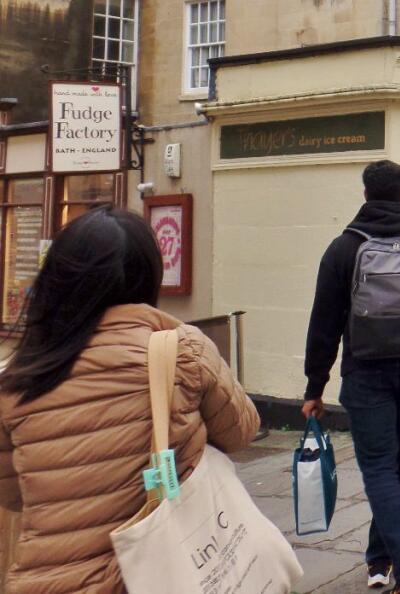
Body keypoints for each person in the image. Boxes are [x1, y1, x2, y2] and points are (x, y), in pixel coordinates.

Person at [0, 207, 260, 594]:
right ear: (148, 276)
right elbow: (241, 429)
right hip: (158, 575)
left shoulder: (18, 376)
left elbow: (14, 493)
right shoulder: (180, 352)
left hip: (45, 579)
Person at [303, 160, 400, 594]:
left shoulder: (343, 248)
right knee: (394, 465)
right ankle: (379, 559)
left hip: (366, 373)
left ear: (366, 193)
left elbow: (323, 324)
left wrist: (315, 385)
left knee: (379, 470)